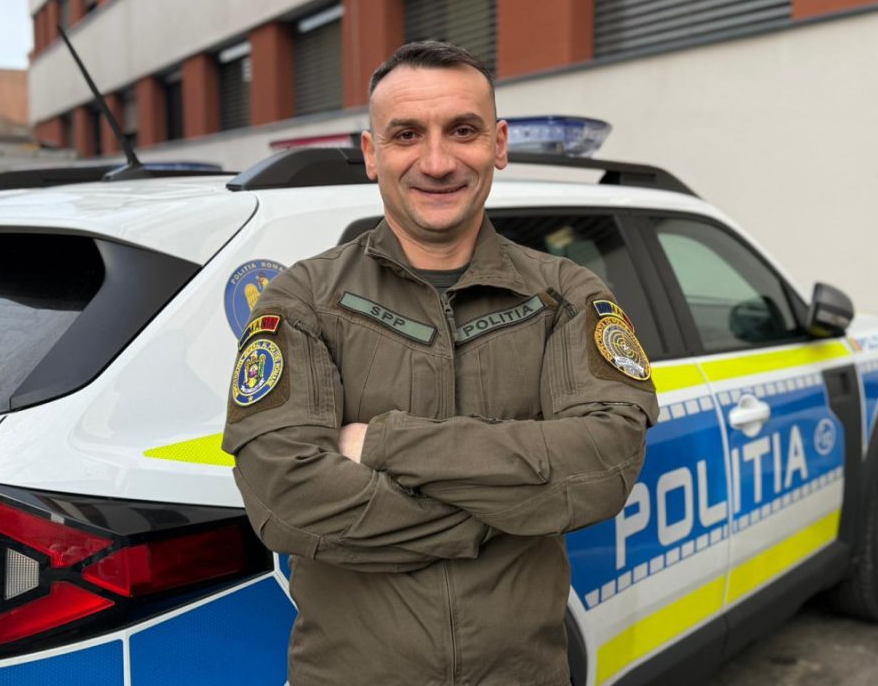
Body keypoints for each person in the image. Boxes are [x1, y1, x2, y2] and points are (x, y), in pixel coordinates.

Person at [223, 40, 658, 686]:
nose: (437, 161)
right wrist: (501, 515)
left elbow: (605, 464)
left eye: (462, 130)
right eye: (406, 134)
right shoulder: (304, 298)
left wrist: (383, 443)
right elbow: (283, 496)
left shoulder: (565, 293)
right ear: (372, 154)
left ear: (498, 144)